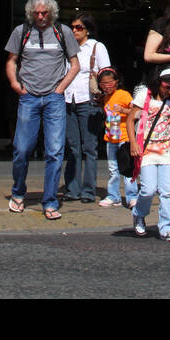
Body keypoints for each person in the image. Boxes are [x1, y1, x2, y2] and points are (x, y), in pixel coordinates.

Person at [5, 0, 79, 220]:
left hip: (54, 98)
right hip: (29, 97)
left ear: (52, 12)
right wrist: (16, 84)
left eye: (44, 12)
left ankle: (50, 201)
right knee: (22, 149)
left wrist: (60, 88)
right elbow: (11, 61)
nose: (40, 17)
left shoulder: (63, 32)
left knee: (55, 151)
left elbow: (75, 64)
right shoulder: (22, 32)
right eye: (36, 12)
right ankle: (18, 193)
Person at [128, 66, 170, 240]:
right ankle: (139, 214)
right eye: (167, 87)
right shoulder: (145, 96)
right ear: (158, 82)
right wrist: (133, 143)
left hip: (165, 150)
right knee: (147, 190)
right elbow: (131, 120)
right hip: (146, 150)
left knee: (167, 191)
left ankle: (166, 227)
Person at [64, 12, 110, 204]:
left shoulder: (97, 47)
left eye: (79, 27)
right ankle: (72, 189)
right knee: (73, 147)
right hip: (68, 100)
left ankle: (88, 191)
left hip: (89, 101)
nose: (75, 30)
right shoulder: (66, 47)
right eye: (72, 27)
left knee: (89, 147)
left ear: (88, 30)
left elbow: (107, 74)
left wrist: (107, 100)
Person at [96, 69, 136, 208]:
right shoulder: (105, 97)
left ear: (117, 82)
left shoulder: (124, 95)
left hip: (124, 137)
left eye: (110, 82)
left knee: (127, 168)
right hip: (111, 138)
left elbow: (136, 112)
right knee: (113, 169)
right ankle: (114, 196)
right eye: (103, 83)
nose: (107, 86)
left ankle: (132, 197)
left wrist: (123, 110)